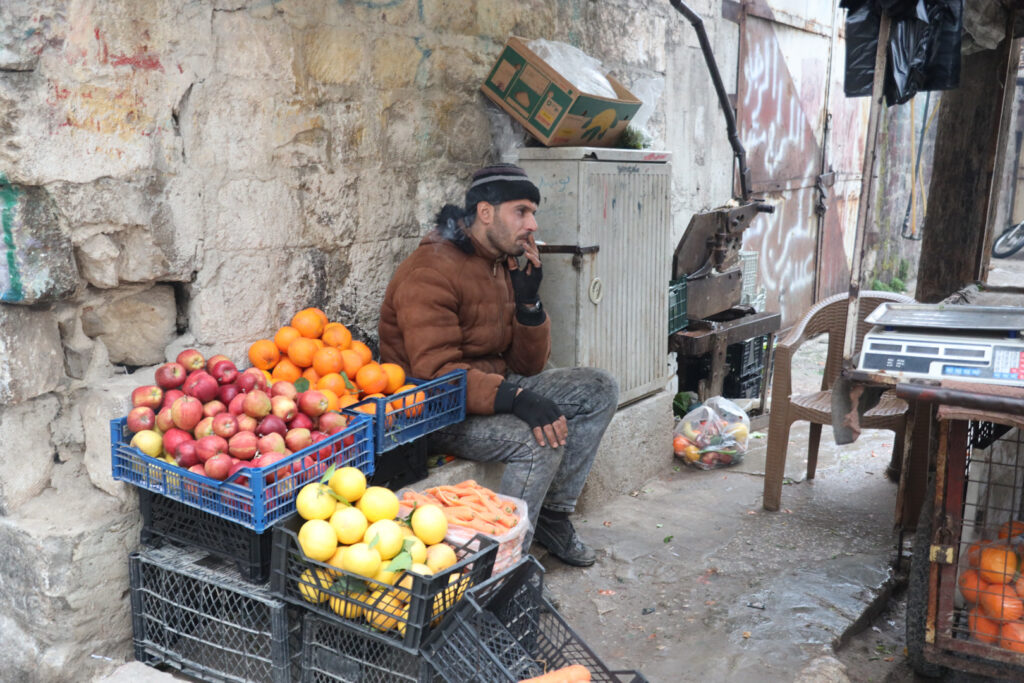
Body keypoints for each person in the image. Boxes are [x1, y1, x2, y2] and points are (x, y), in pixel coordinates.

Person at [378, 163, 619, 567]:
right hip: (435, 412)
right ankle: (503, 566)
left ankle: (552, 517)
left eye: (533, 213)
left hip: (492, 389)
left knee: (599, 388)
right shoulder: (429, 271)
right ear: (486, 213)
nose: (532, 224)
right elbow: (436, 376)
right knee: (538, 439)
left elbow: (527, 364)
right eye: (521, 212)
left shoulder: (501, 263)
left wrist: (529, 304)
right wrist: (518, 399)